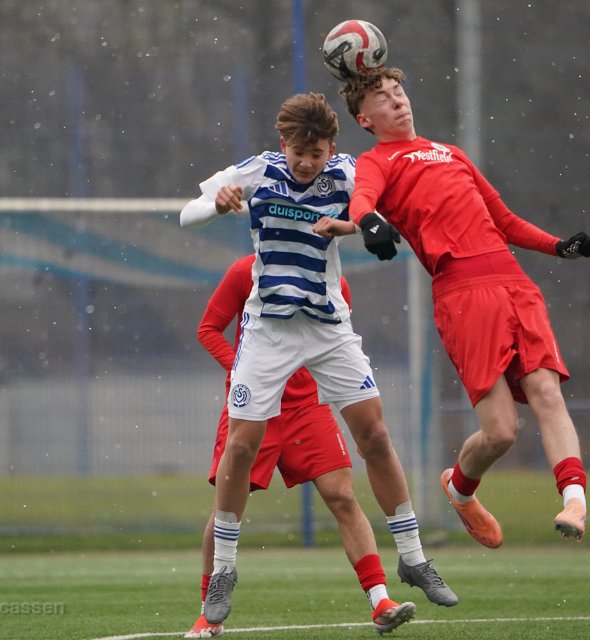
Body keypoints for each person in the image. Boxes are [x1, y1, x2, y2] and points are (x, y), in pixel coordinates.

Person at [180, 92, 455, 632]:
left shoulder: (347, 174)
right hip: (269, 331)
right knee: (241, 445)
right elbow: (188, 214)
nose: (308, 163)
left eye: (317, 153)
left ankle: (413, 557)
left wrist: (355, 226)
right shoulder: (258, 171)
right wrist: (217, 202)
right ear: (284, 144)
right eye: (299, 152)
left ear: (332, 148)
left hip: (328, 329)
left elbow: (388, 219)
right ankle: (224, 571)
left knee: (375, 436)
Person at [315, 68, 590, 549]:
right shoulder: (377, 161)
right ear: (365, 119)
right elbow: (363, 202)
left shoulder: (451, 153)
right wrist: (368, 223)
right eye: (383, 98)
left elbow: (504, 221)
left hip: (513, 282)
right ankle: (460, 489)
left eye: (399, 91)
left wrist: (557, 247)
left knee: (547, 392)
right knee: (501, 432)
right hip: (462, 294)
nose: (397, 101)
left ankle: (574, 500)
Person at [187, 254, 447, 638]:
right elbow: (208, 329)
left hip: (307, 407)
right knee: (226, 508)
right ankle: (209, 614)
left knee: (343, 496)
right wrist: (244, 373)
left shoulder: (334, 281)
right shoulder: (246, 271)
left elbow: (335, 347)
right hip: (253, 407)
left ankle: (380, 601)